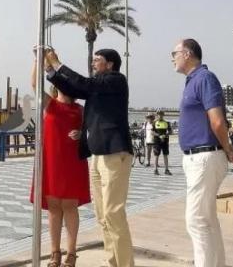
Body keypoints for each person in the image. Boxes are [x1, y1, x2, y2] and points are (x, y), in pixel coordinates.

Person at [43, 47, 134, 267]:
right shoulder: (98, 88)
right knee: (103, 215)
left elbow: (85, 83)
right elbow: (73, 87)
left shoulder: (115, 80)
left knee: (113, 213)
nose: (93, 63)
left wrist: (58, 64)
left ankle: (124, 265)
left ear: (110, 64)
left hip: (114, 154)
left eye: (97, 60)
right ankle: (112, 262)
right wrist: (51, 72)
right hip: (98, 156)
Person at [172, 39, 233, 267]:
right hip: (199, 157)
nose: (173, 57)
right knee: (207, 220)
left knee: (196, 221)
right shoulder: (193, 81)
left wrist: (227, 148)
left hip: (204, 157)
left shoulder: (205, 78)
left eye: (175, 53)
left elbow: (218, 121)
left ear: (187, 54)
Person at [31, 59, 91, 267]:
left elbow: (92, 132)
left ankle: (71, 253)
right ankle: (54, 253)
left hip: (73, 161)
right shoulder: (50, 104)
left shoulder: (80, 109)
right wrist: (38, 59)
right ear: (56, 87)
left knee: (70, 206)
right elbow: (34, 84)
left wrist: (82, 134)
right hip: (51, 160)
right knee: (54, 207)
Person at [152, 111, 172, 176]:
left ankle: (166, 170)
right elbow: (152, 132)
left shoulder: (167, 123)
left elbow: (170, 131)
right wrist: (159, 135)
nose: (160, 116)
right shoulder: (154, 122)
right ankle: (155, 169)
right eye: (159, 115)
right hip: (157, 141)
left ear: (163, 115)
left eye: (161, 115)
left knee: (165, 155)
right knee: (156, 155)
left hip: (165, 141)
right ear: (157, 115)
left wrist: (166, 134)